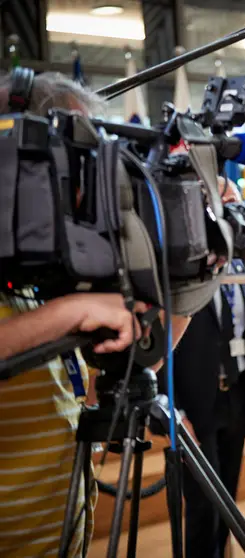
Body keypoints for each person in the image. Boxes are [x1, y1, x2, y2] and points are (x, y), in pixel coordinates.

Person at [0, 72, 192, 557]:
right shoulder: (55, 292)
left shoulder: (41, 274)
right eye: (75, 160)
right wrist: (73, 310)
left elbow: (135, 360)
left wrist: (187, 263)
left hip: (61, 539)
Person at [168, 180, 245, 558]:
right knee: (203, 512)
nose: (232, 208)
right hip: (195, 409)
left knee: (226, 507)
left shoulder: (238, 264)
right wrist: (174, 414)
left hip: (236, 402)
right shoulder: (178, 263)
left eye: (234, 199)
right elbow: (163, 349)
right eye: (223, 200)